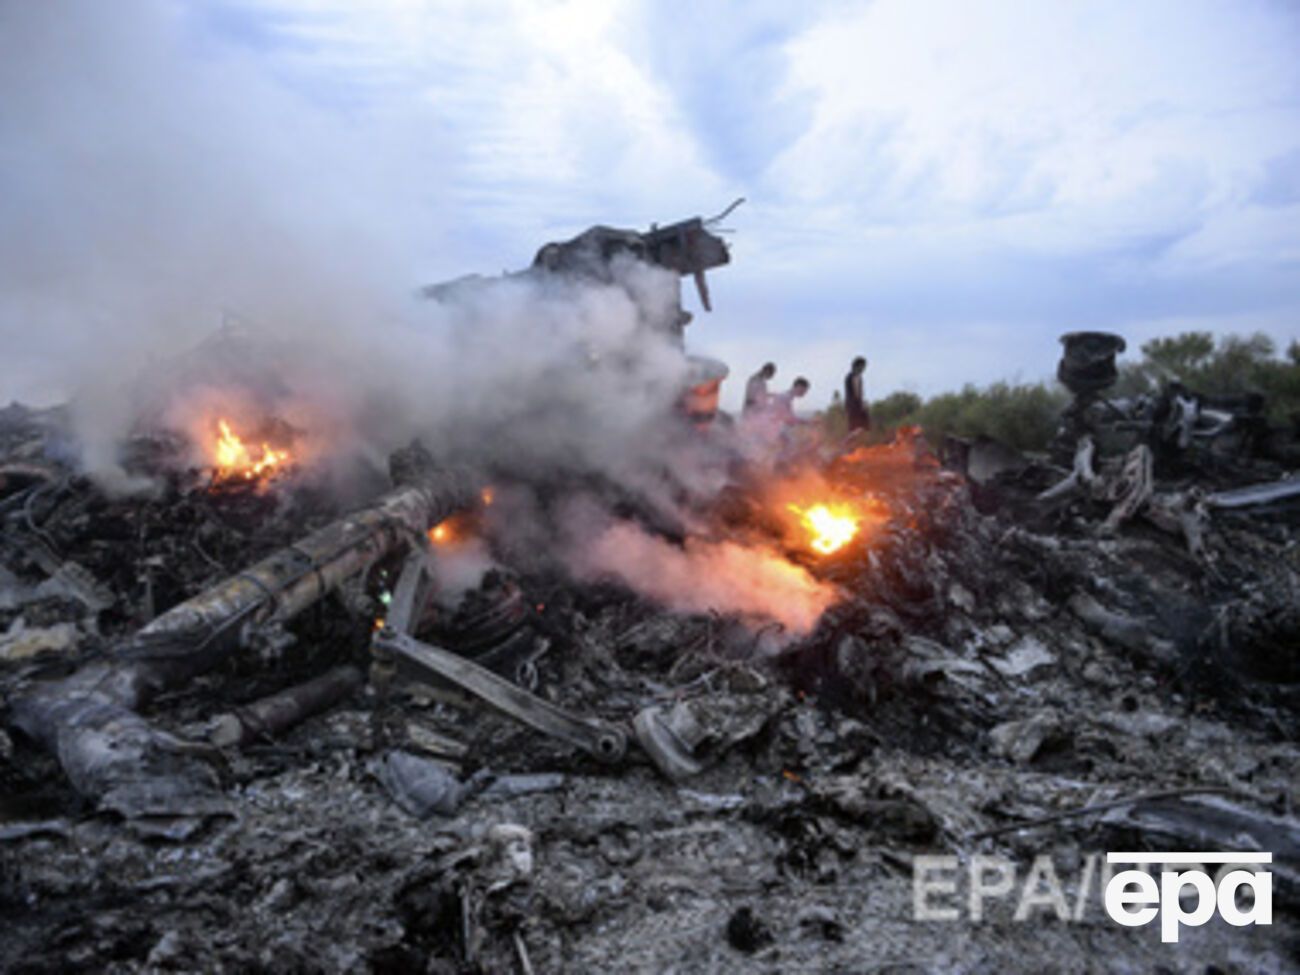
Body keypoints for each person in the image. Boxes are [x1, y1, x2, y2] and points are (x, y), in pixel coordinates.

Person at [844, 356, 870, 433]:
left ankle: (850, 443)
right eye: (863, 366)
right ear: (858, 366)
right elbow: (856, 392)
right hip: (855, 404)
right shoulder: (854, 376)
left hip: (851, 404)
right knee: (861, 426)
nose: (864, 369)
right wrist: (862, 404)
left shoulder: (851, 376)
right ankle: (847, 443)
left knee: (854, 427)